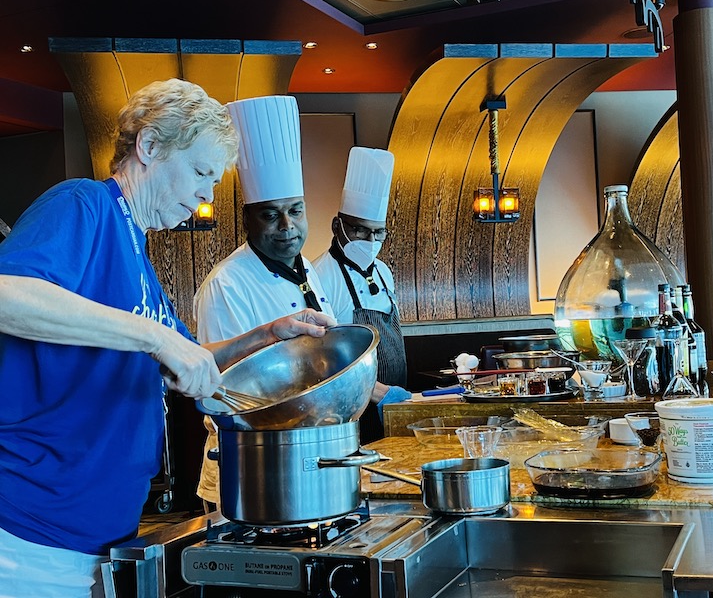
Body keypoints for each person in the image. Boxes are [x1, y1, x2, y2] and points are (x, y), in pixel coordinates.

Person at [0, 78, 333, 598]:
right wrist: (154, 336)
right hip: (30, 537)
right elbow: (7, 296)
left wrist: (269, 334)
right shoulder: (83, 205)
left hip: (98, 535)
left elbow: (191, 362)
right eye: (201, 172)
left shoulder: (139, 255)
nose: (206, 193)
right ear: (149, 147)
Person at [193, 95, 336, 509]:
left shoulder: (307, 267)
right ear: (247, 219)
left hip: (305, 455)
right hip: (246, 468)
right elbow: (219, 387)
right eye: (270, 215)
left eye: (295, 211)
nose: (287, 227)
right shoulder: (227, 285)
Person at [313, 146, 411, 443]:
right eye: (359, 230)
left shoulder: (383, 271)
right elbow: (324, 360)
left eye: (377, 233)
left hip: (394, 406)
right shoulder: (319, 276)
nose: (369, 241)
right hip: (351, 411)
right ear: (337, 226)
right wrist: (381, 394)